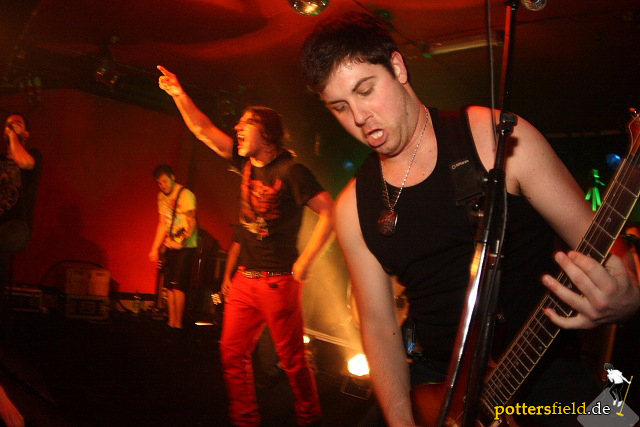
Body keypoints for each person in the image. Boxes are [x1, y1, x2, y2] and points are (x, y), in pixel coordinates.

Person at [301, 12, 640, 427]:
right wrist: (401, 421)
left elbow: (607, 243)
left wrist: (629, 300)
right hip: (441, 386)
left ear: (398, 67)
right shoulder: (352, 208)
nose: (358, 116)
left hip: (544, 365)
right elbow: (377, 324)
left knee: (619, 422)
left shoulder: (496, 137)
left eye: (366, 90)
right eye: (340, 107)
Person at [158, 66, 333, 427]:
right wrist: (178, 94)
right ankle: (245, 419)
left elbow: (330, 212)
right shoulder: (244, 162)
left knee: (292, 360)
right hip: (244, 282)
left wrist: (306, 262)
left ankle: (309, 416)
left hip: (278, 282)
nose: (237, 128)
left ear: (266, 133)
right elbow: (203, 130)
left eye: (245, 123)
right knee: (231, 352)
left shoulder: (291, 171)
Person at [149, 164, 198, 332]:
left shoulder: (185, 195)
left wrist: (182, 242)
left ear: (173, 177)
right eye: (159, 183)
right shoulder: (161, 197)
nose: (162, 186)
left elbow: (192, 222)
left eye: (164, 181)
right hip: (170, 244)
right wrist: (155, 248)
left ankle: (178, 324)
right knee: (169, 286)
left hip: (186, 246)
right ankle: (171, 323)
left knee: (179, 286)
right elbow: (162, 223)